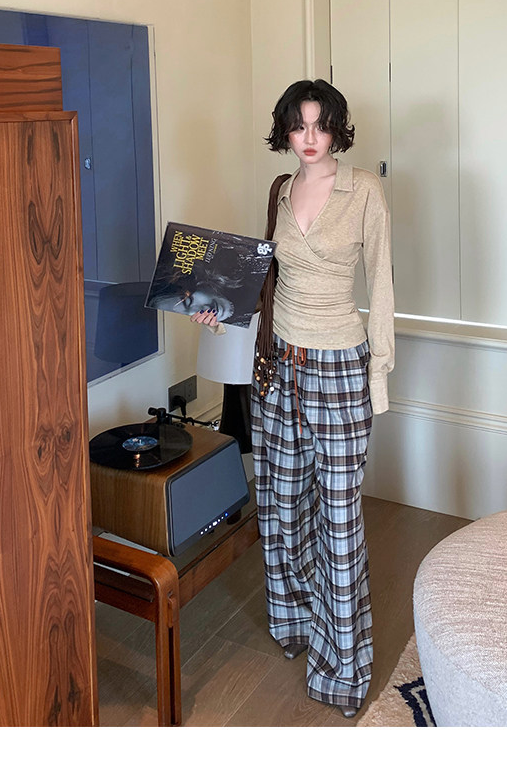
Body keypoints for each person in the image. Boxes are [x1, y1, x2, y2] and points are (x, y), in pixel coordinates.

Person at [192, 79, 394, 719]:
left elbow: (382, 288)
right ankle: (298, 622)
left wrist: (377, 380)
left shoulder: (365, 192)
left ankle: (344, 666)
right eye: (299, 125)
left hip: (338, 367)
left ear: (337, 129)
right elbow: (264, 279)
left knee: (338, 520)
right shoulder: (280, 191)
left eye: (320, 124)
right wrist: (217, 312)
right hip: (281, 367)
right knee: (281, 507)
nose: (309, 138)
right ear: (285, 129)